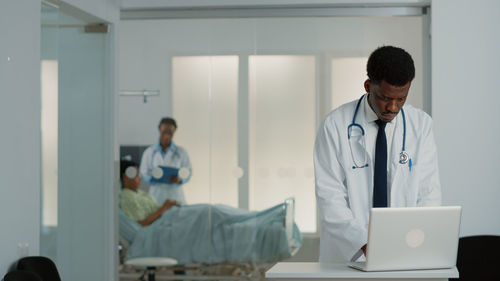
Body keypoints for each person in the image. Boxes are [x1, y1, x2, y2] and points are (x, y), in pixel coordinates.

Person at [314, 45, 441, 263]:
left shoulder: (421, 125)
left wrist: (413, 240)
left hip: (404, 251)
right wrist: (365, 242)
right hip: (350, 255)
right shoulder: (335, 125)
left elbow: (428, 193)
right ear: (367, 86)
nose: (392, 107)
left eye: (401, 99)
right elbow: (330, 197)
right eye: (384, 97)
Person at [140, 117, 192, 205]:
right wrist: (153, 178)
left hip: (175, 194)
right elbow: (143, 172)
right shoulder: (150, 152)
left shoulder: (181, 152)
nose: (167, 135)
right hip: (156, 194)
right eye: (164, 132)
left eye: (170, 133)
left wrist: (180, 180)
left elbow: (188, 172)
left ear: (174, 132)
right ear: (159, 130)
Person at [120, 160, 179, 226]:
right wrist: (164, 208)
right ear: (125, 177)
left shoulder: (139, 192)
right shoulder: (125, 196)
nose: (140, 178)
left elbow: (154, 210)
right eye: (136, 175)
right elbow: (140, 225)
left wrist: (168, 205)